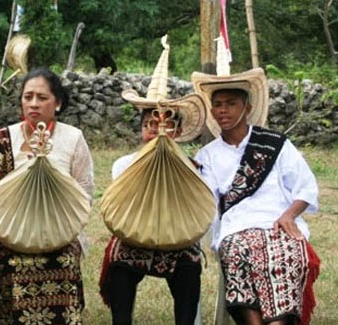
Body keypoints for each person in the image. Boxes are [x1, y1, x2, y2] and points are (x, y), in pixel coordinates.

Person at [192, 65, 321, 325]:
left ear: (247, 108)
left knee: (288, 254)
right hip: (236, 228)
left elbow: (306, 187)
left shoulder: (275, 144)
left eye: (231, 103)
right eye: (217, 104)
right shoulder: (207, 155)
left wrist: (289, 215)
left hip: (277, 224)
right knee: (236, 253)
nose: (223, 110)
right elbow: (204, 201)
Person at [99, 35, 213, 325]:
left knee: (189, 266)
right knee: (120, 261)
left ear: (177, 132)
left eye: (167, 125)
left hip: (179, 238)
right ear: (141, 129)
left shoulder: (193, 168)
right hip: (135, 236)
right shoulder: (124, 165)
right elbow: (121, 211)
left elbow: (198, 211)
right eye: (151, 124)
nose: (158, 131)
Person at [0, 67, 94, 324]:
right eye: (28, 97)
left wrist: (60, 225)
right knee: (12, 263)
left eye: (42, 97)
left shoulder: (73, 139)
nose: (33, 104)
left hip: (61, 229)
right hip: (8, 230)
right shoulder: (3, 140)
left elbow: (84, 194)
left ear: (58, 103)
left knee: (63, 261)